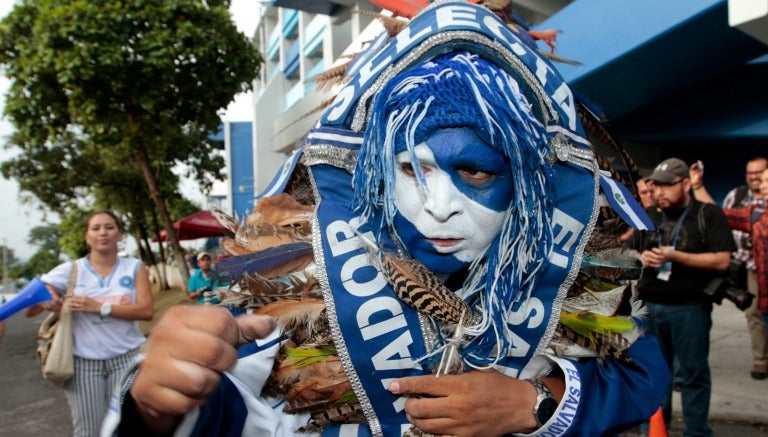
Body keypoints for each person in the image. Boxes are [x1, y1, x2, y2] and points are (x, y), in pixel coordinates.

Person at [106, 3, 668, 436]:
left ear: (523, 183)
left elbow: (640, 376)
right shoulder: (301, 278)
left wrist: (533, 402)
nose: (438, 205)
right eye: (410, 168)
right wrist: (157, 403)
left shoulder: (571, 277)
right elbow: (238, 407)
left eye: (475, 172)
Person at [25, 210, 153, 437]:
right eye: (96, 228)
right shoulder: (71, 271)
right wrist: (46, 298)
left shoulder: (134, 267)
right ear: (87, 236)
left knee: (128, 426)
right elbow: (29, 309)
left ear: (119, 234)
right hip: (84, 364)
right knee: (88, 430)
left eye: (109, 227)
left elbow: (146, 311)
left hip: (127, 358)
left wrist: (100, 307)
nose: (103, 232)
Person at [630, 157, 734, 436]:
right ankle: (653, 430)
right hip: (650, 307)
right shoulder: (650, 215)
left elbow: (723, 261)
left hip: (689, 308)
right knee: (653, 374)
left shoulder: (708, 214)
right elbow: (626, 253)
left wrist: (677, 256)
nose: (659, 192)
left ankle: (696, 431)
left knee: (693, 376)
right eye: (656, 186)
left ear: (686, 183)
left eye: (667, 186)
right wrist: (642, 258)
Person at [718, 157, 767, 379]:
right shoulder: (742, 202)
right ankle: (761, 360)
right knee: (754, 313)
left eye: (762, 175)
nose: (757, 179)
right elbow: (722, 217)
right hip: (749, 268)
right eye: (752, 174)